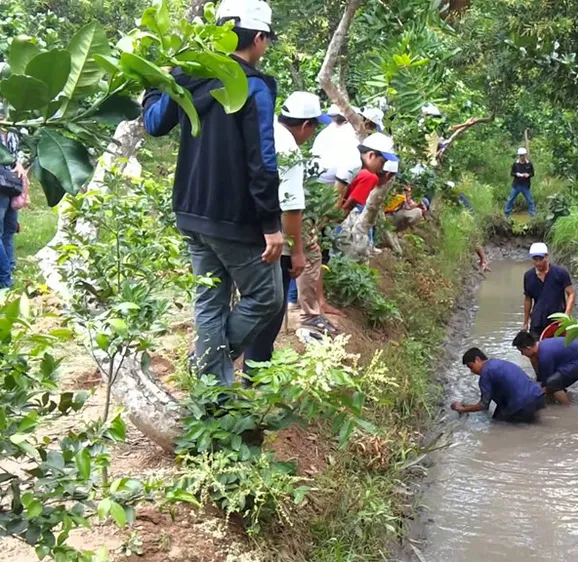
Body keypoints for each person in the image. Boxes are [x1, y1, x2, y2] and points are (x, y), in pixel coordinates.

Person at [142, 0, 282, 385]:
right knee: (267, 298)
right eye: (266, 40)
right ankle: (208, 366)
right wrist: (271, 223)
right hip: (235, 218)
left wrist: (156, 84)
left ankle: (212, 393)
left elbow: (155, 124)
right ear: (258, 38)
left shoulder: (189, 77)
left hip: (190, 211)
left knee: (209, 300)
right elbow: (263, 162)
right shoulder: (253, 87)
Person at [244, 92, 330, 367]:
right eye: (314, 127)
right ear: (306, 126)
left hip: (239, 230)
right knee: (271, 306)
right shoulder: (290, 150)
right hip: (272, 238)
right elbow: (291, 209)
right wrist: (296, 253)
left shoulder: (261, 129)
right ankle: (256, 370)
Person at [335, 132, 399, 255]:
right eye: (382, 162)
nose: (381, 167)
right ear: (371, 155)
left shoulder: (354, 162)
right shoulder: (369, 176)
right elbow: (347, 206)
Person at [450, 348, 546, 423]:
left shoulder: (485, 373)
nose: (472, 371)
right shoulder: (498, 363)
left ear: (477, 360)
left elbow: (483, 405)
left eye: (471, 367)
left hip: (523, 404)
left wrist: (463, 409)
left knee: (497, 425)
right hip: (538, 396)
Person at [512, 331, 578, 405]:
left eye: (522, 351)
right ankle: (564, 395)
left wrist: (532, 395)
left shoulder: (544, 355)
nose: (522, 355)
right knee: (554, 382)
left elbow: (547, 383)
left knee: (552, 383)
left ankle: (566, 409)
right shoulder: (543, 345)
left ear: (528, 348)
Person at [0, 112, 30, 291]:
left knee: (7, 231)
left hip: (7, 186)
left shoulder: (11, 134)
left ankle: (6, 277)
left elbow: (16, 158)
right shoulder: (12, 133)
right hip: (9, 185)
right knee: (6, 232)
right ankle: (8, 271)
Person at [523, 243, 575, 337]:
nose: (538, 263)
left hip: (557, 321)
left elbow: (571, 294)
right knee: (537, 348)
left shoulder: (560, 273)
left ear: (546, 257)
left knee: (558, 348)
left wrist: (566, 315)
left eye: (541, 259)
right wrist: (525, 322)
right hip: (537, 321)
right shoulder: (528, 276)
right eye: (535, 259)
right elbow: (528, 299)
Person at [382, 162, 427, 233]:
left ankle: (396, 231)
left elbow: (408, 204)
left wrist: (417, 205)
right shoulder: (399, 187)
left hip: (394, 214)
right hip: (389, 214)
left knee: (418, 211)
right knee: (417, 212)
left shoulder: (408, 190)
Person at [504, 148, 535, 218]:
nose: (522, 157)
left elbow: (532, 173)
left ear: (525, 155)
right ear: (519, 156)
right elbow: (512, 173)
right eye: (521, 155)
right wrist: (516, 174)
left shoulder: (529, 164)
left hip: (525, 186)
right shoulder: (515, 164)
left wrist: (528, 175)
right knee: (510, 199)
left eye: (523, 155)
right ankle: (507, 214)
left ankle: (532, 215)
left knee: (530, 200)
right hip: (516, 185)